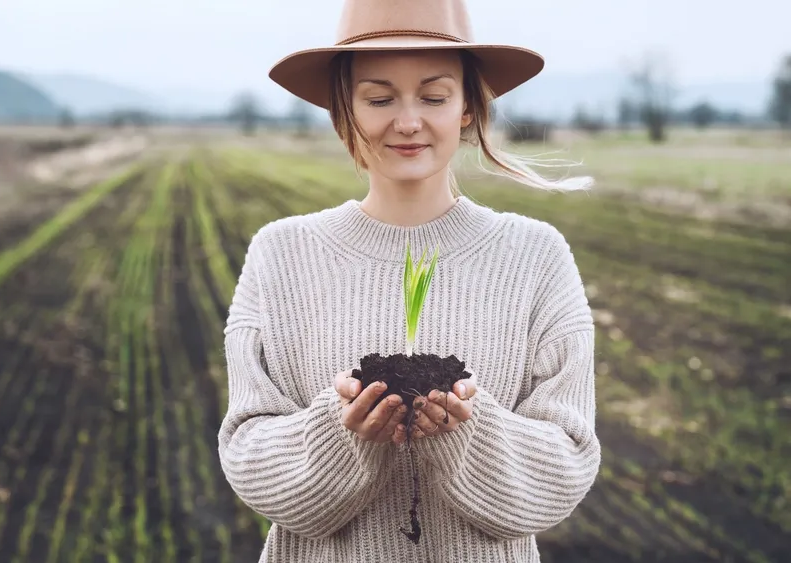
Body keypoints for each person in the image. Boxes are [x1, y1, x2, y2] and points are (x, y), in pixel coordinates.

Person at [216, 0, 601, 561]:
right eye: (378, 98)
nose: (407, 121)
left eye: (434, 95)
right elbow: (248, 454)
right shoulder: (282, 254)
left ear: (467, 105)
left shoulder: (535, 257)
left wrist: (470, 431)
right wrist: (342, 432)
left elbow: (566, 468)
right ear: (342, 108)